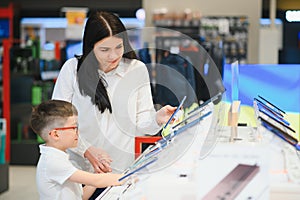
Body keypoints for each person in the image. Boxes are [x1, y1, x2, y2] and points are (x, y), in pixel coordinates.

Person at [52, 10, 176, 174]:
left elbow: (142, 123)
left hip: (119, 169)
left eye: (119, 47)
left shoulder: (136, 69)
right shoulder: (72, 69)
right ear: (90, 47)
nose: (114, 55)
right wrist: (86, 150)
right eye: (104, 50)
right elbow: (58, 121)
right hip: (78, 170)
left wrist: (157, 119)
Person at [30, 99, 125, 200]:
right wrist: (125, 177)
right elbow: (96, 181)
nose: (77, 133)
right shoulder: (52, 161)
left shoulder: (60, 157)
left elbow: (81, 196)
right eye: (74, 128)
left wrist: (99, 174)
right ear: (55, 134)